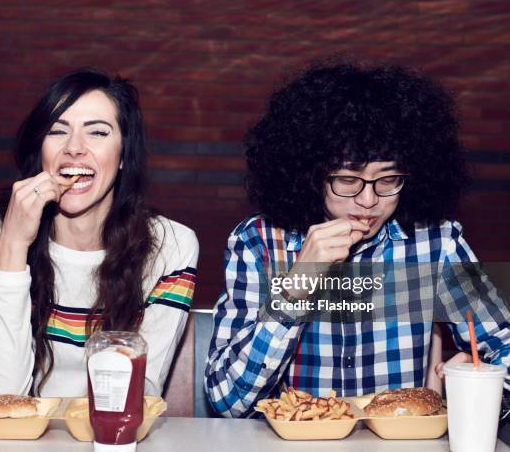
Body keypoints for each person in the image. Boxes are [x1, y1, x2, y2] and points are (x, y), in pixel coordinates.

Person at [204, 61, 509, 417]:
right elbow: (226, 401)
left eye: (388, 179)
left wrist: (482, 390)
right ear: (311, 174)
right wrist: (298, 284)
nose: (368, 200)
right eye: (348, 180)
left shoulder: (435, 244)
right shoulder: (258, 243)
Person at [0, 69, 199, 398]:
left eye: (97, 133)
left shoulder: (170, 248)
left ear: (122, 156)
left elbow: (137, 396)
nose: (74, 148)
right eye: (57, 132)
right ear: (41, 151)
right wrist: (13, 245)